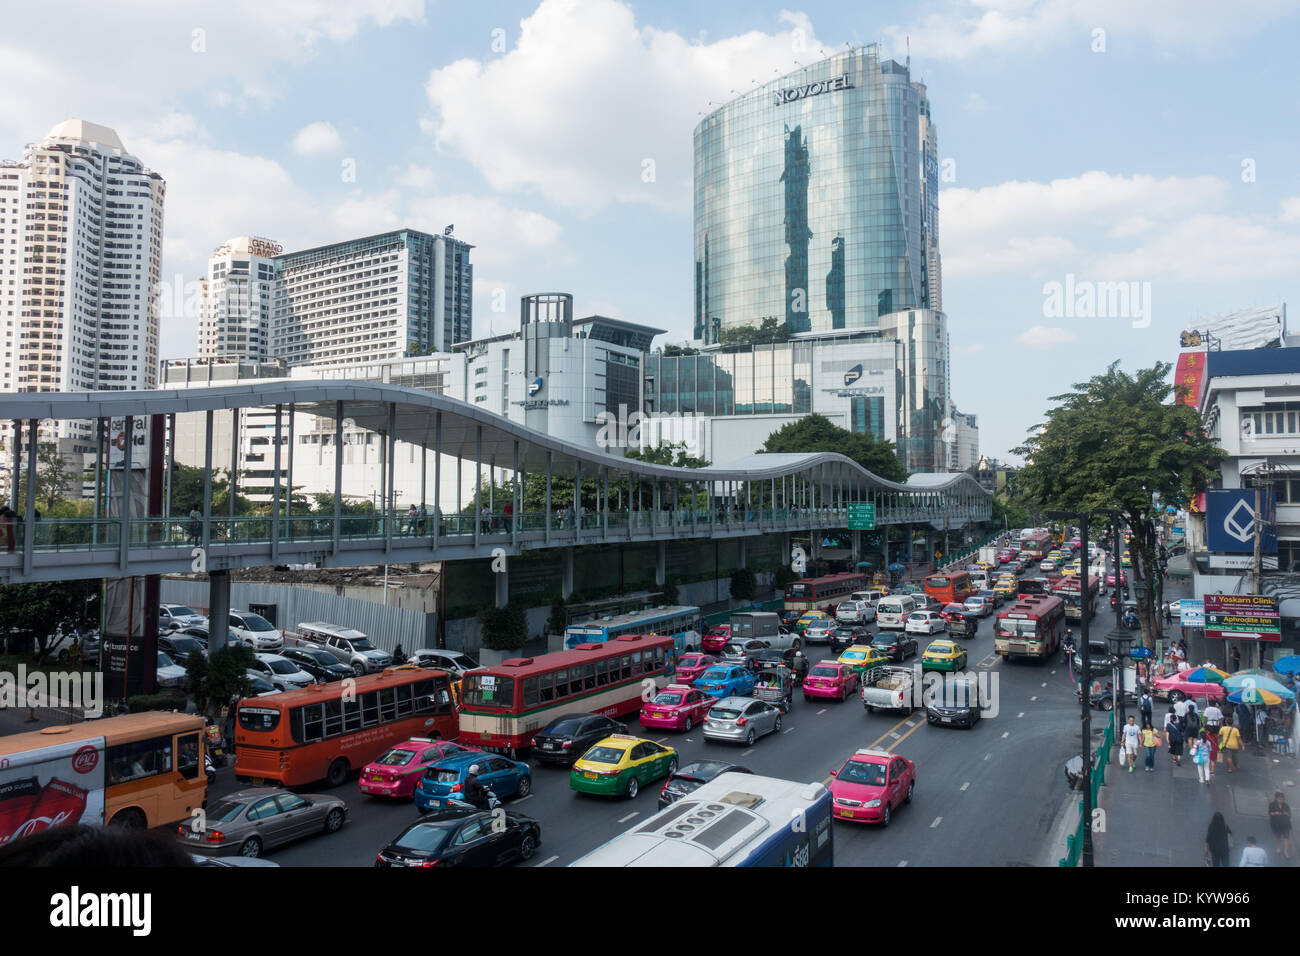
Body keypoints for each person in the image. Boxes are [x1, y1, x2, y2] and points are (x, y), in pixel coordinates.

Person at [1269, 791, 1292, 860]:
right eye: (1279, 799)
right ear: (1276, 798)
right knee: (1278, 837)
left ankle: (1286, 852)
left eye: (1282, 799)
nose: (1281, 800)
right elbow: (1270, 813)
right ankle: (1278, 847)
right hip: (1276, 824)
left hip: (1285, 824)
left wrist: (1287, 814)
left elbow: (1290, 815)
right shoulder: (1272, 805)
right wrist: (1275, 813)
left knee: (1286, 838)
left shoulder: (1286, 805)